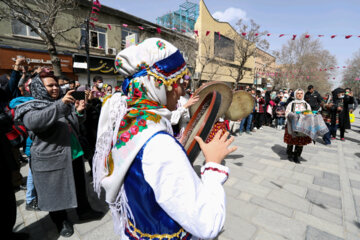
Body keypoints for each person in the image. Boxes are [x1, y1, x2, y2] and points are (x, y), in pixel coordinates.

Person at [93, 38, 236, 240]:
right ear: (157, 84)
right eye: (177, 82)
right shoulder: (159, 145)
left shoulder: (127, 119)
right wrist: (213, 166)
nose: (182, 91)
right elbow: (208, 224)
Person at [15, 70, 103, 237]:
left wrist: (78, 112)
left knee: (79, 186)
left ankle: (84, 211)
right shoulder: (30, 106)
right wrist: (61, 105)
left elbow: (74, 124)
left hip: (73, 153)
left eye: (56, 84)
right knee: (54, 192)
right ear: (39, 88)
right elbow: (35, 122)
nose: (55, 88)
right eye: (50, 85)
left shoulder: (61, 102)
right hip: (51, 159)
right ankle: (61, 222)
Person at [284, 88, 312, 163]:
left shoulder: (306, 104)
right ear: (295, 94)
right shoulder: (291, 103)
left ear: (303, 95)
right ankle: (290, 154)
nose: (299, 95)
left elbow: (309, 114)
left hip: (302, 126)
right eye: (298, 93)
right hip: (292, 124)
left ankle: (297, 155)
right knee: (291, 140)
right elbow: (287, 113)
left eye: (301, 93)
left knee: (300, 142)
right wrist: (293, 115)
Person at [170, 75, 199, 139]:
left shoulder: (188, 96)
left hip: (187, 133)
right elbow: (172, 120)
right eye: (183, 79)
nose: (185, 82)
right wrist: (186, 106)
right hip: (176, 135)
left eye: (187, 80)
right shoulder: (171, 96)